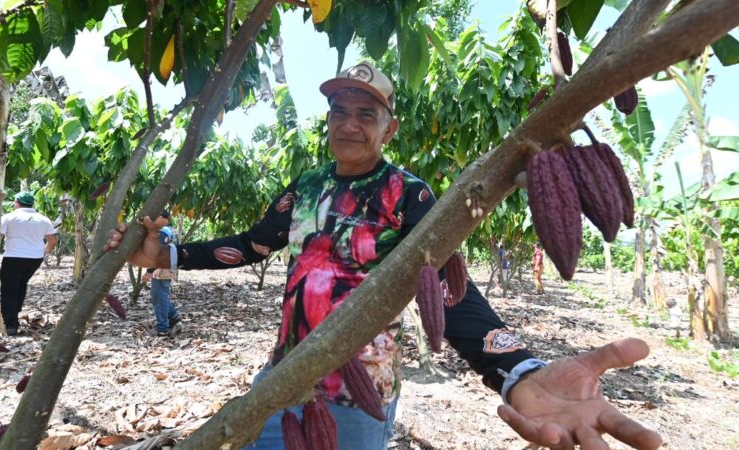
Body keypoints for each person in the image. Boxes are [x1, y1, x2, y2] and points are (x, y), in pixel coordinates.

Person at [106, 62, 661, 450]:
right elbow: (251, 246)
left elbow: (446, 285)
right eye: (339, 111)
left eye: (365, 114)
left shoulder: (409, 194)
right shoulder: (306, 186)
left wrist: (514, 369)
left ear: (388, 127)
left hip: (357, 393)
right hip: (281, 381)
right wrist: (169, 255)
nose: (349, 123)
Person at [0, 191, 57, 336]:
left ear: (16, 203)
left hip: (13, 257)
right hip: (34, 259)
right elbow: (52, 241)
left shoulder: (9, 217)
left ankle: (11, 325)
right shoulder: (43, 219)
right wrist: (43, 253)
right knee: (21, 285)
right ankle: (14, 314)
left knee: (8, 290)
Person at [141, 210, 182, 336]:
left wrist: (149, 271)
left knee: (159, 296)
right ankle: (173, 315)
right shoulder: (172, 230)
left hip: (161, 267)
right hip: (170, 265)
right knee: (159, 294)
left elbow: (157, 253)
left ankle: (162, 327)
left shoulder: (162, 232)